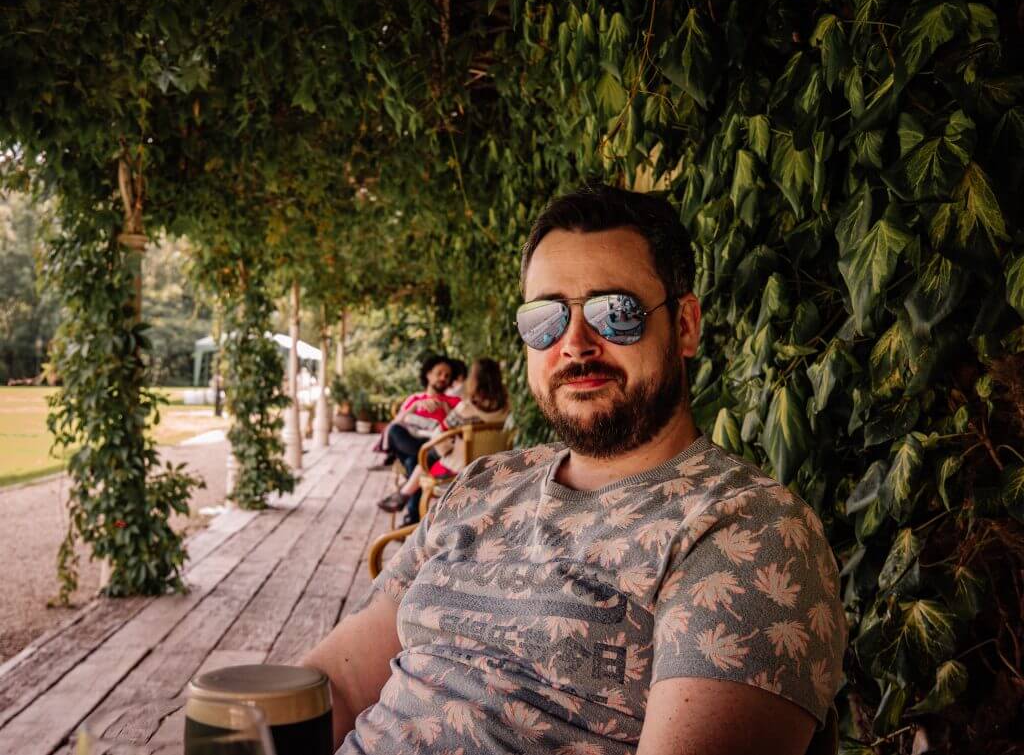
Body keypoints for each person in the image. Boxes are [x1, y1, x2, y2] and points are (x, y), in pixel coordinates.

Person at [303, 184, 846, 755]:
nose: (575, 344)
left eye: (617, 313)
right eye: (547, 318)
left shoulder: (746, 530)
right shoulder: (484, 483)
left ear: (685, 325)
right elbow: (336, 684)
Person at [378, 358, 509, 523]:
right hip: (495, 464)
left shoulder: (465, 408)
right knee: (418, 454)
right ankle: (404, 497)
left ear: (474, 381)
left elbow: (440, 438)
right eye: (439, 373)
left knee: (424, 457)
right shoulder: (507, 408)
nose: (443, 378)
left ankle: (404, 495)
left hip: (459, 468)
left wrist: (444, 443)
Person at [380, 355, 460, 480]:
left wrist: (445, 407)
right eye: (439, 373)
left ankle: (414, 477)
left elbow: (458, 429)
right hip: (413, 441)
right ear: (428, 374)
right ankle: (421, 462)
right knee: (394, 430)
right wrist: (415, 406)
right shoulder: (414, 399)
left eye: (447, 375)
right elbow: (395, 424)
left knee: (411, 462)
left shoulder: (454, 401)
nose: (443, 378)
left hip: (437, 444)